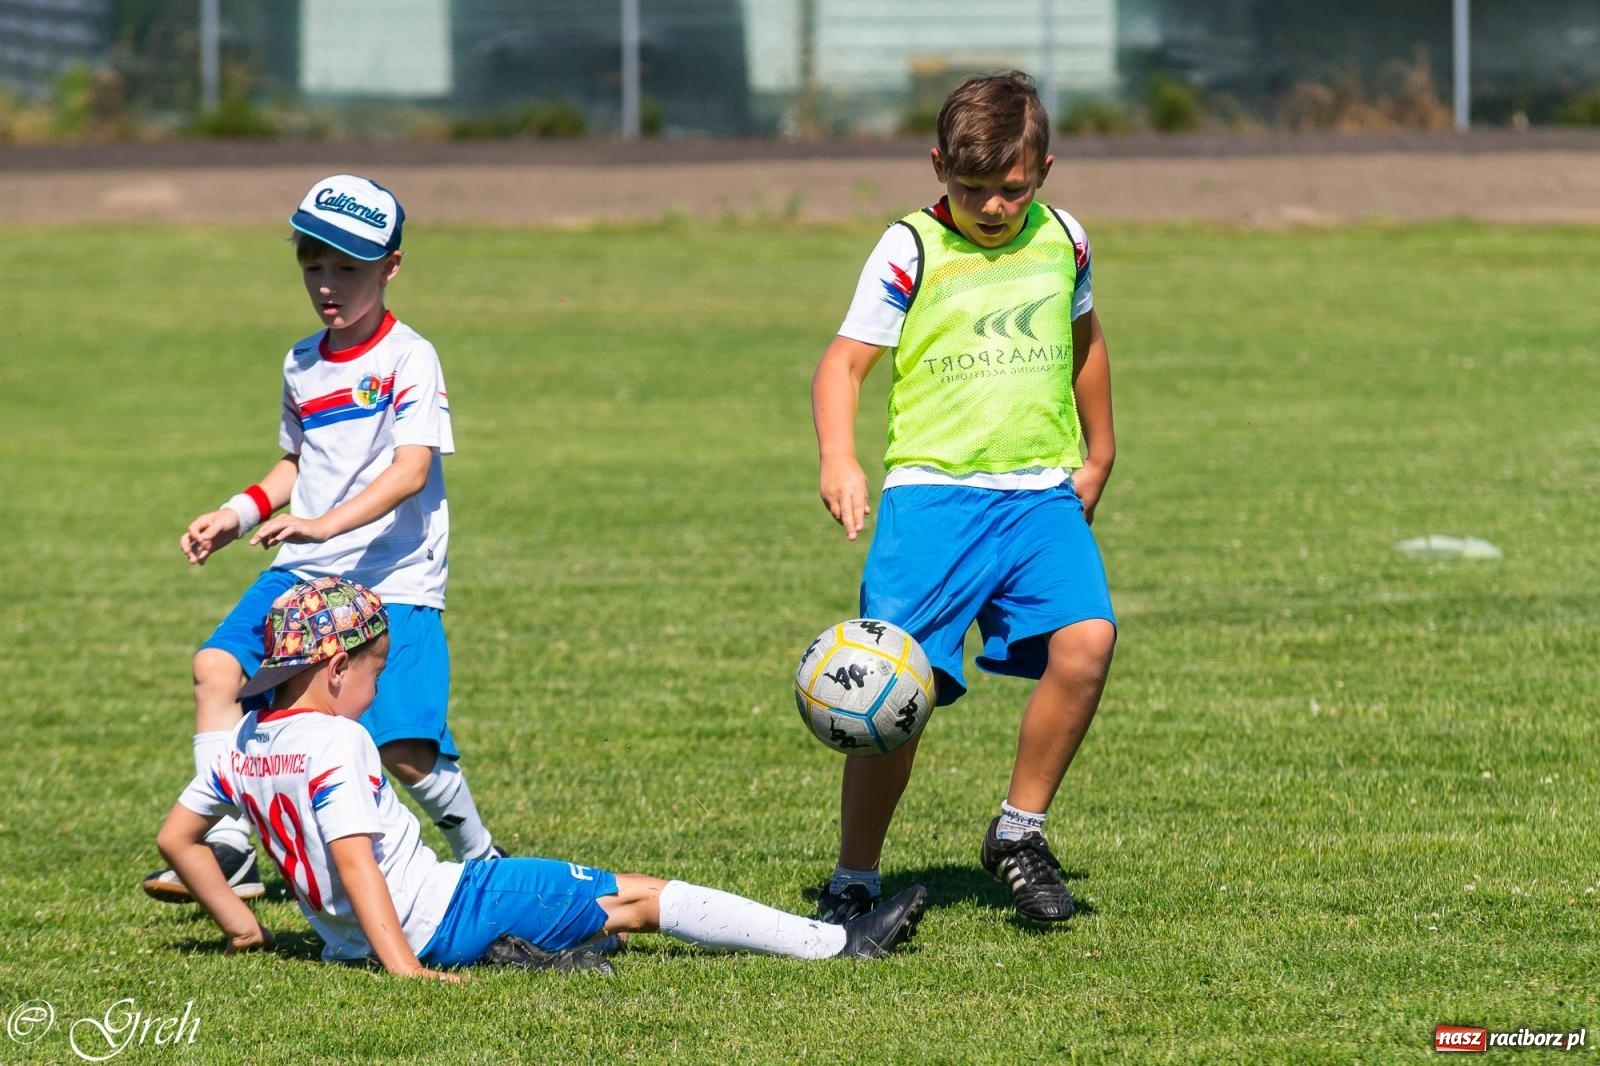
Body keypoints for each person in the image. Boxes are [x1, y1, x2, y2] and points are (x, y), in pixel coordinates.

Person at [156, 578, 926, 975]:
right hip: (444, 913)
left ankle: (528, 951)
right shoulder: (337, 738)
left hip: (349, 942)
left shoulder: (246, 741)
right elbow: (356, 859)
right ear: (333, 668)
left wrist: (246, 929)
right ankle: (836, 944)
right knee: (638, 897)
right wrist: (405, 968)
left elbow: (179, 839)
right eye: (375, 671)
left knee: (593, 922)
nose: (377, 689)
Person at [808, 71, 1117, 924]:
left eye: (1010, 189)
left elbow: (1083, 341)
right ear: (938, 165)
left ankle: (1018, 834)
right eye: (970, 187)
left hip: (1038, 495)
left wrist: (1102, 450)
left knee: (1088, 642)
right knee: (889, 700)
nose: (990, 207)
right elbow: (842, 364)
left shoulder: (1064, 240)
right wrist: (840, 459)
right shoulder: (909, 247)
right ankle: (853, 883)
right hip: (932, 502)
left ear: (1044, 170)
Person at [143, 175, 501, 903]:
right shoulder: (301, 361)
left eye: (348, 269)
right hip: (304, 569)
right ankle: (233, 843)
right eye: (313, 266)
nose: (327, 285)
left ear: (390, 267)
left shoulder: (408, 356)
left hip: (393, 575)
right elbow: (297, 464)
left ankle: (481, 854)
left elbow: (411, 470)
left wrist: (324, 521)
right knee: (217, 668)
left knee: (403, 751)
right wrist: (235, 514)